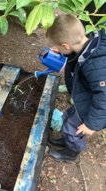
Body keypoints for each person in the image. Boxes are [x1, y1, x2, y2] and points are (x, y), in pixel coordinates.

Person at [46, 14, 106, 162]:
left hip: (94, 105)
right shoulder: (89, 44)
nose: (56, 48)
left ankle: (71, 154)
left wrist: (91, 124)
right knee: (67, 116)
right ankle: (66, 140)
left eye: (58, 46)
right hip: (85, 97)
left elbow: (104, 97)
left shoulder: (95, 65)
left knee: (72, 129)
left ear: (66, 45)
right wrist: (61, 52)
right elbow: (76, 54)